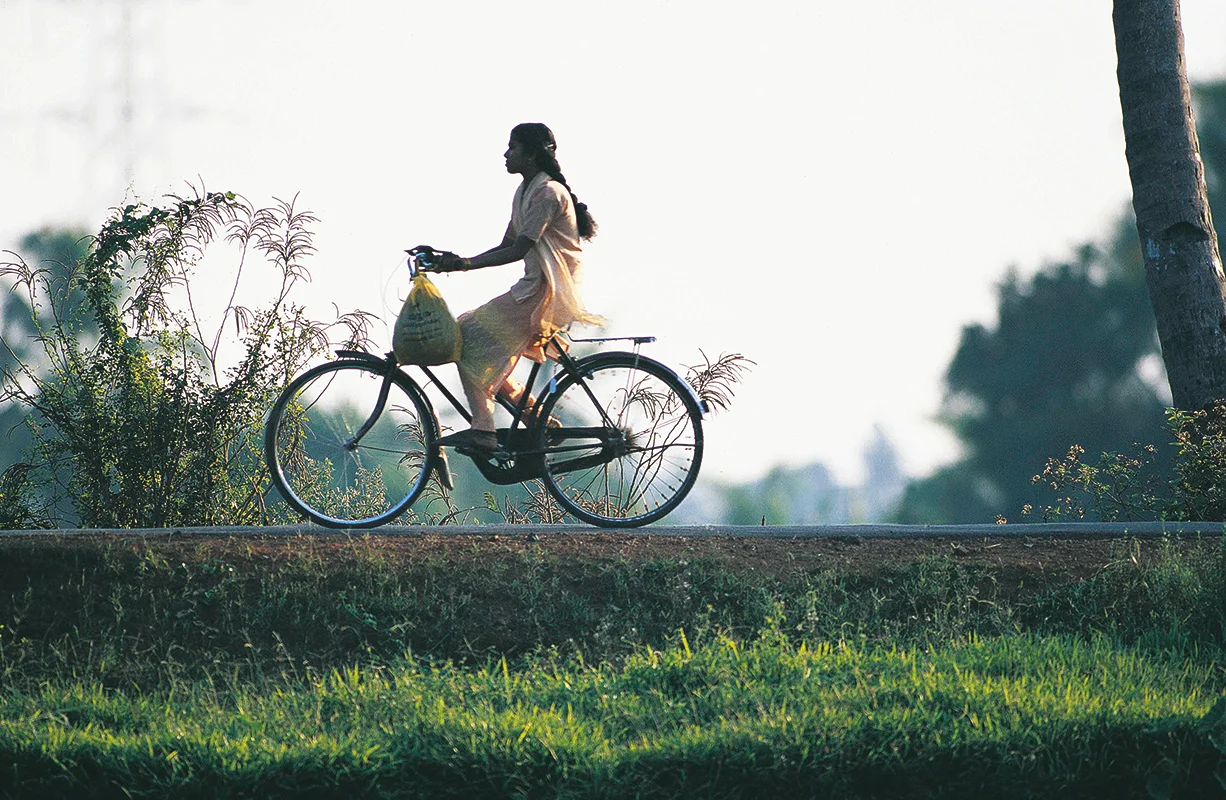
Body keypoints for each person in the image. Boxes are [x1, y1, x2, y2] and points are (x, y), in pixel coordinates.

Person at [434, 123, 601, 453]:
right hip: (534, 287)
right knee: (469, 338)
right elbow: (506, 244)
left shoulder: (548, 193)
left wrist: (465, 264)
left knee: (465, 336)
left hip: (546, 292)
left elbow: (519, 249)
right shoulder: (526, 192)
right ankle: (537, 419)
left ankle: (484, 429)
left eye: (513, 148)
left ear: (532, 154)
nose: (506, 154)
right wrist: (457, 261)